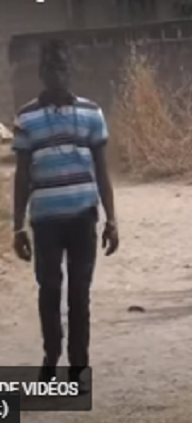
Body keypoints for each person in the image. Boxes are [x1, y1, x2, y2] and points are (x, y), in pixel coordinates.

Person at [11, 39, 119, 390]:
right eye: (51, 68)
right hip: (45, 221)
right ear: (42, 73)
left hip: (83, 216)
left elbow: (102, 172)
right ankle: (51, 355)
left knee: (79, 293)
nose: (58, 75)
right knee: (49, 289)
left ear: (70, 71)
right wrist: (17, 227)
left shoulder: (91, 113)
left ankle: (78, 364)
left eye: (63, 67)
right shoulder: (26, 118)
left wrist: (112, 220)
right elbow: (22, 176)